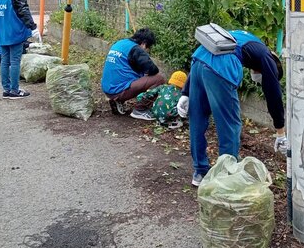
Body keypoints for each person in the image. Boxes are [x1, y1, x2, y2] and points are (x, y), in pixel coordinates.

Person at [177, 29, 287, 187]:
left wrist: (186, 92)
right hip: (220, 66)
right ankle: (227, 176)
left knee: (197, 119)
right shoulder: (267, 57)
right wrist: (280, 131)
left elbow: (210, 50)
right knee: (230, 125)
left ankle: (200, 172)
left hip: (199, 59)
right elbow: (273, 94)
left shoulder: (247, 38)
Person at [101, 28, 165, 120]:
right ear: (144, 43)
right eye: (148, 48)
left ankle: (116, 101)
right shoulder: (136, 49)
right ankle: (140, 110)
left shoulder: (120, 43)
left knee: (140, 76)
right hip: (118, 90)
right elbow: (153, 69)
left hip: (108, 88)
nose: (147, 51)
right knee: (159, 79)